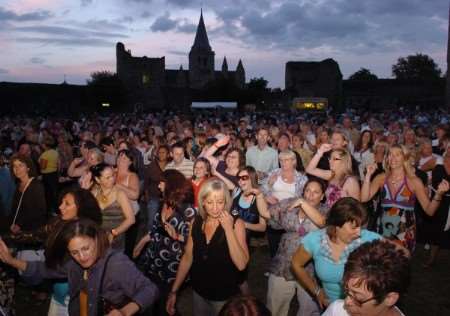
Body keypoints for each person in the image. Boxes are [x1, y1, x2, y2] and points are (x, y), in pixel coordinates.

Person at [0, 218, 159, 316]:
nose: (82, 257)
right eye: (75, 252)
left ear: (96, 240)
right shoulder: (72, 262)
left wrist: (125, 311)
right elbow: (45, 269)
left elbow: (150, 289)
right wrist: (11, 261)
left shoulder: (115, 263)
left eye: (86, 249)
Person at [166, 178, 249, 316]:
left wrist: (228, 229)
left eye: (220, 202)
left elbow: (241, 264)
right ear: (203, 201)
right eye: (210, 202)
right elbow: (187, 257)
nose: (215, 207)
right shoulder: (196, 221)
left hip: (224, 296)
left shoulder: (236, 224)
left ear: (226, 202)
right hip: (199, 290)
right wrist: (174, 291)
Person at [291, 197, 382, 309]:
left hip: (362, 309)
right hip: (331, 306)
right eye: (354, 227)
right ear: (337, 224)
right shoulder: (314, 240)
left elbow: (403, 253)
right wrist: (317, 291)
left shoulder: (368, 239)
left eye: (360, 226)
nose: (359, 232)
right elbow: (296, 264)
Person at [361, 144, 449, 252]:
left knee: (399, 264)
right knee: (382, 264)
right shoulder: (381, 178)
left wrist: (439, 193)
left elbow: (429, 211)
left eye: (397, 155)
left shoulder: (414, 181)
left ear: (405, 158)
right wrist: (368, 176)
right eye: (390, 154)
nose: (393, 158)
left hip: (404, 232)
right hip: (383, 229)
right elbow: (364, 198)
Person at [262, 179, 328, 316]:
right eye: (308, 191)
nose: (310, 195)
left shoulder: (326, 211)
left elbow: (323, 223)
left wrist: (303, 203)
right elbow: (267, 213)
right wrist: (258, 196)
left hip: (310, 269)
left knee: (309, 311)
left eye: (316, 192)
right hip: (283, 263)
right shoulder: (291, 203)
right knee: (274, 308)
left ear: (322, 196)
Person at [133, 169, 195, 315]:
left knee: (165, 303)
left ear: (170, 185)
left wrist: (177, 237)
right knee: (152, 298)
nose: (158, 186)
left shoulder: (187, 210)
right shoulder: (163, 203)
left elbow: (195, 243)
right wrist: (142, 242)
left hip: (172, 265)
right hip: (154, 260)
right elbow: (156, 230)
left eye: (161, 183)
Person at [322, 240, 410, 316]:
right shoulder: (337, 310)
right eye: (346, 291)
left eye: (358, 299)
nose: (346, 302)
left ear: (390, 298)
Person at [263, 150, 308, 258]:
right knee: (273, 242)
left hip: (291, 215)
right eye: (281, 160)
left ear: (294, 161)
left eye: (286, 160)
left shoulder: (302, 178)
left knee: (288, 244)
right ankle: (273, 267)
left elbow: (305, 198)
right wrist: (269, 187)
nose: (283, 163)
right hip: (273, 213)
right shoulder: (274, 173)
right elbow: (261, 190)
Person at [88, 163, 135, 250]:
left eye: (113, 175)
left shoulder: (120, 194)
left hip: (116, 238)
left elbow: (131, 219)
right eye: (107, 177)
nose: (112, 179)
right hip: (98, 237)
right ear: (98, 179)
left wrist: (113, 233)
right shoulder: (94, 193)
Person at [144, 144, 170, 231]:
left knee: (165, 222)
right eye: (159, 152)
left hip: (167, 199)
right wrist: (147, 198)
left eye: (163, 152)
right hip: (153, 198)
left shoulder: (171, 165)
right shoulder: (152, 166)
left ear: (168, 154)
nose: (161, 154)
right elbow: (146, 183)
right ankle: (150, 241)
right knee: (151, 222)